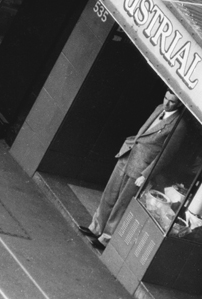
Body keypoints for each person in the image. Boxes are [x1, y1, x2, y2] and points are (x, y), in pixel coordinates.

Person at [78, 89, 184, 251]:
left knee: (122, 203)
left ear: (180, 104)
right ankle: (96, 228)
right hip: (128, 155)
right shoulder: (158, 108)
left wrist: (146, 175)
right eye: (165, 98)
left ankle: (106, 238)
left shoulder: (179, 125)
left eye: (172, 102)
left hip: (141, 168)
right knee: (109, 194)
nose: (166, 103)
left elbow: (165, 155)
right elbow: (145, 132)